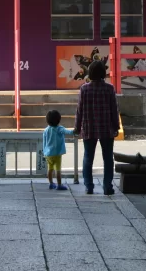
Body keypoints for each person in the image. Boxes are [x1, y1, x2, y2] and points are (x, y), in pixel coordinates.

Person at [75, 60, 120, 195]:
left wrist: (77, 127)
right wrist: (116, 126)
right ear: (103, 73)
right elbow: (114, 109)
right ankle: (107, 187)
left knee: (88, 157)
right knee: (107, 158)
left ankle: (89, 186)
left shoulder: (84, 89)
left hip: (89, 127)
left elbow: (79, 110)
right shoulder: (109, 88)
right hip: (106, 128)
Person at [42, 109, 74, 190]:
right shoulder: (59, 128)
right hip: (57, 153)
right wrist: (75, 131)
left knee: (50, 169)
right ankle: (59, 185)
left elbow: (44, 142)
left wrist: (44, 151)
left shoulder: (46, 130)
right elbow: (68, 132)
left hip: (48, 153)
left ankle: (51, 183)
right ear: (58, 120)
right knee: (58, 169)